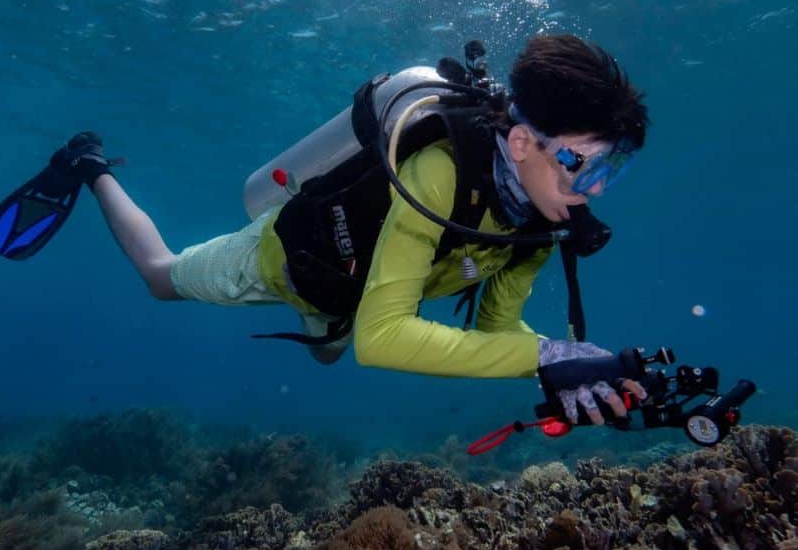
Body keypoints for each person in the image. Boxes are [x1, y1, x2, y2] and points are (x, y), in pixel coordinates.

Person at [47, 34, 651, 427]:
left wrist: (569, 366)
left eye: (611, 169)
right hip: (285, 260)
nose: (595, 189)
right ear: (520, 142)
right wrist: (545, 355)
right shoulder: (440, 172)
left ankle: (322, 322)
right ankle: (91, 167)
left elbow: (497, 329)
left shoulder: (543, 219)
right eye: (583, 165)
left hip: (353, 294)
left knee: (328, 351)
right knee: (160, 278)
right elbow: (382, 339)